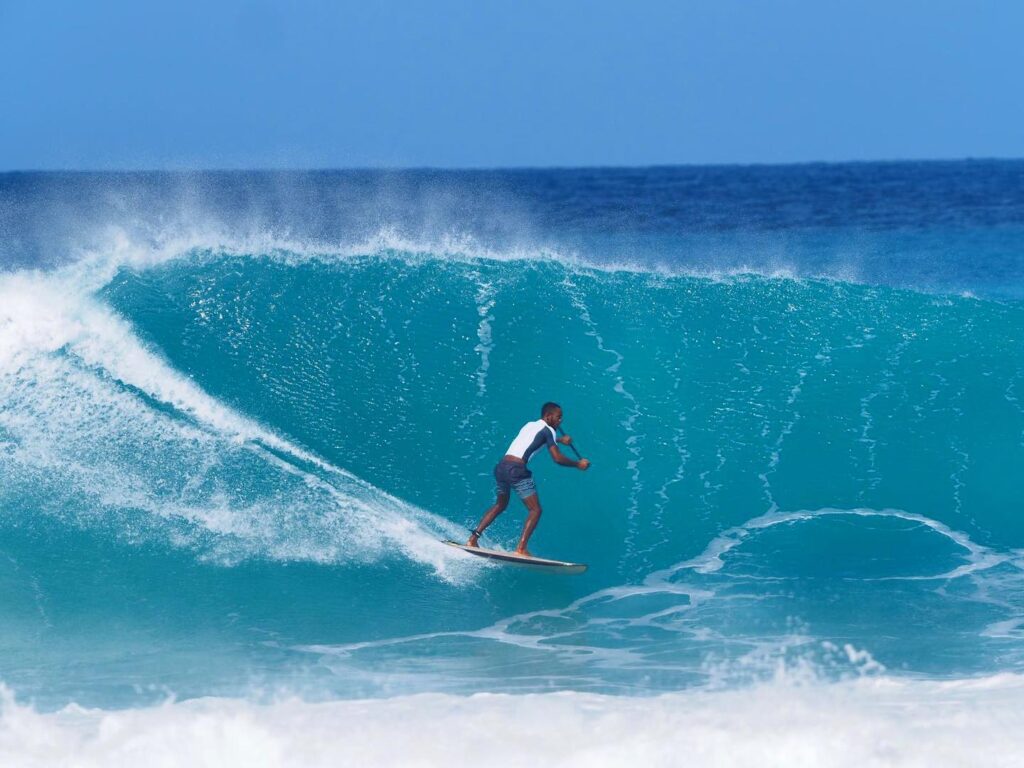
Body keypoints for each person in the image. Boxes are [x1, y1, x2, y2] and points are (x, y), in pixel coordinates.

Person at [467, 402, 590, 556]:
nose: (561, 420)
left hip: (501, 467)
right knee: (535, 510)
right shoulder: (549, 430)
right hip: (516, 470)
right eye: (558, 417)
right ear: (548, 416)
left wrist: (559, 440)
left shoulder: (530, 425)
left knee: (500, 504)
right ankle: (521, 548)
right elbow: (557, 458)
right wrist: (578, 464)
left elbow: (533, 440)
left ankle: (472, 539)